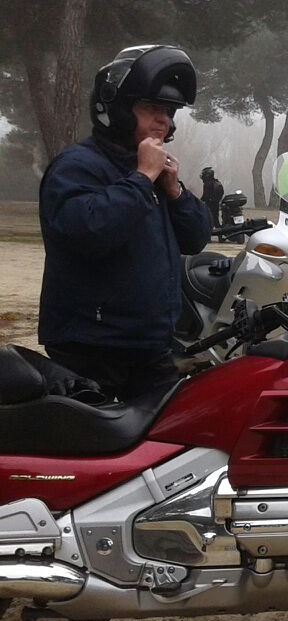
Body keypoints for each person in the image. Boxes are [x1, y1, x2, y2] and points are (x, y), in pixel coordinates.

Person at [38, 43, 211, 401]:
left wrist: (175, 190)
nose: (164, 120)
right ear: (115, 107)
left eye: (169, 111)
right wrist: (142, 177)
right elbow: (89, 232)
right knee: (94, 452)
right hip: (91, 349)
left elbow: (196, 238)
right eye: (151, 108)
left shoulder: (150, 172)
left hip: (149, 346)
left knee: (169, 443)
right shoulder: (77, 165)